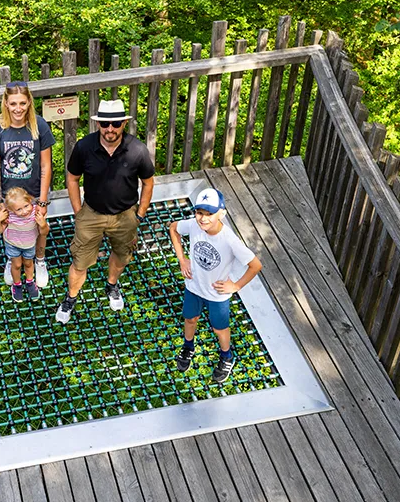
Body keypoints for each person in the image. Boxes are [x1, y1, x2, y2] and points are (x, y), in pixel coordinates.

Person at [56, 99, 155, 324]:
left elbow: (148, 182)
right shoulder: (84, 147)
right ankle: (71, 298)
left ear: (123, 124)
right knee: (80, 261)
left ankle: (112, 285)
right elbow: (72, 178)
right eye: (105, 124)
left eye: (116, 123)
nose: (110, 129)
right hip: (91, 213)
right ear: (98, 124)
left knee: (122, 254)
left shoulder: (137, 150)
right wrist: (78, 211)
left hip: (125, 215)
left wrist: (139, 214)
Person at [168, 188, 262, 383]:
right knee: (190, 319)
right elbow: (173, 228)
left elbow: (255, 265)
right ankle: (188, 347)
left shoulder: (229, 239)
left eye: (209, 214)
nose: (203, 218)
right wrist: (182, 259)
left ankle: (227, 356)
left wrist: (236, 286)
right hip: (194, 287)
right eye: (199, 212)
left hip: (217, 294)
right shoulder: (194, 225)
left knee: (219, 328)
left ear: (222, 214)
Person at [0, 81, 55, 288]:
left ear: (29, 102)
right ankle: (12, 260)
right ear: (5, 103)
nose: (18, 108)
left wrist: (42, 199)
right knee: (10, 227)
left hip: (33, 192)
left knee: (39, 227)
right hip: (9, 195)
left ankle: (39, 260)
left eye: (22, 103)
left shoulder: (38, 125)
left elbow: (45, 165)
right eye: (13, 103)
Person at [0, 187, 49, 302]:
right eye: (18, 209)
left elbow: (44, 233)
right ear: (11, 209)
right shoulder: (8, 215)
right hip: (12, 244)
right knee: (17, 264)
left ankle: (30, 282)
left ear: (30, 201)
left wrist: (43, 224)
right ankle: (17, 284)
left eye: (26, 206)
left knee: (28, 264)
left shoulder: (35, 213)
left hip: (29, 244)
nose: (24, 211)